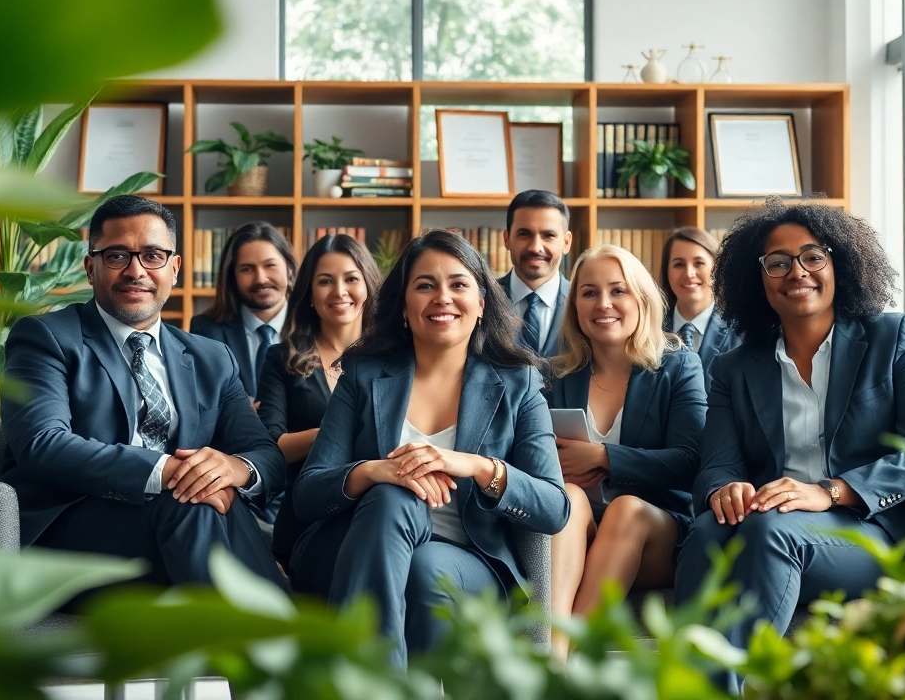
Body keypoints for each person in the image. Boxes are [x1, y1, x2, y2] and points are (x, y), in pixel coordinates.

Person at [673, 198, 905, 689]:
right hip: (769, 518)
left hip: (870, 533)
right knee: (705, 533)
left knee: (770, 532)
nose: (796, 272)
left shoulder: (894, 337)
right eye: (777, 262)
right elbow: (716, 466)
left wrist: (832, 491)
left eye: (812, 256)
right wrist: (726, 490)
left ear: (837, 262)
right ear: (758, 279)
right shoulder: (734, 367)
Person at [289, 230, 570, 668]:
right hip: (357, 549)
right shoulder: (364, 374)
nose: (442, 297)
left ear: (481, 303)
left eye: (458, 284)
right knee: (391, 495)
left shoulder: (518, 383)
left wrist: (477, 467)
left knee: (424, 569)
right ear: (403, 306)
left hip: (467, 558)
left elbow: (554, 508)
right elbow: (308, 494)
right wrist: (374, 471)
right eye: (425, 285)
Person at [1, 195, 286, 588]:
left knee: (206, 498)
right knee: (193, 502)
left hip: (179, 529)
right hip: (75, 537)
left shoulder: (211, 357)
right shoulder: (47, 337)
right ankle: (274, 630)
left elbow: (265, 455)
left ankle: (251, 635)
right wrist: (170, 472)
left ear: (175, 268)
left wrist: (233, 469)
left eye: (153, 255)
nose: (136, 271)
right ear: (90, 267)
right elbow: (41, 444)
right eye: (117, 255)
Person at [544, 245, 708, 659]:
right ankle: (555, 658)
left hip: (657, 532)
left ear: (641, 298)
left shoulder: (679, 366)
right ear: (575, 303)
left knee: (627, 509)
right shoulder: (554, 374)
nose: (603, 304)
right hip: (583, 529)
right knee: (569, 498)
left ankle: (560, 658)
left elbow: (692, 461)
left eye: (618, 291)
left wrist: (604, 458)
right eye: (589, 292)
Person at [257, 233, 381, 565]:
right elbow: (270, 445)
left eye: (351, 279)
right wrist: (336, 434)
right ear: (310, 294)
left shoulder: (395, 359)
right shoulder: (281, 358)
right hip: (306, 520)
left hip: (379, 516)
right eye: (325, 281)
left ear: (368, 284)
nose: (339, 291)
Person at [191, 221, 297, 398]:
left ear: (290, 268)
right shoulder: (206, 331)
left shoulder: (314, 326)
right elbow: (202, 399)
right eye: (247, 269)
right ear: (233, 277)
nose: (261, 279)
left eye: (270, 265)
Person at [498, 190, 573, 359]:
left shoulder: (584, 302)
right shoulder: (482, 300)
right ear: (506, 239)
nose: (535, 247)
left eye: (549, 235)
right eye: (524, 234)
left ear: (566, 242)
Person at [660, 227, 739, 385]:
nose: (689, 273)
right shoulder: (650, 330)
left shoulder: (740, 331)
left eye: (699, 263)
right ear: (666, 271)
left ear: (717, 269)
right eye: (678, 264)